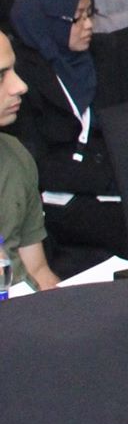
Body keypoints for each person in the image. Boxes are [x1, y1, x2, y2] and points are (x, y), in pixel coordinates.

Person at [9, 0, 125, 257]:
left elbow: (125, 126)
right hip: (58, 198)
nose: (88, 25)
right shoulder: (21, 76)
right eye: (77, 18)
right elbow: (37, 163)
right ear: (48, 21)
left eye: (89, 14)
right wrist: (106, 179)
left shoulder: (103, 55)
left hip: (111, 183)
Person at [0, 32, 60, 291]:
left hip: (24, 307)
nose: (20, 86)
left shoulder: (15, 156)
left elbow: (37, 271)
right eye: (0, 76)